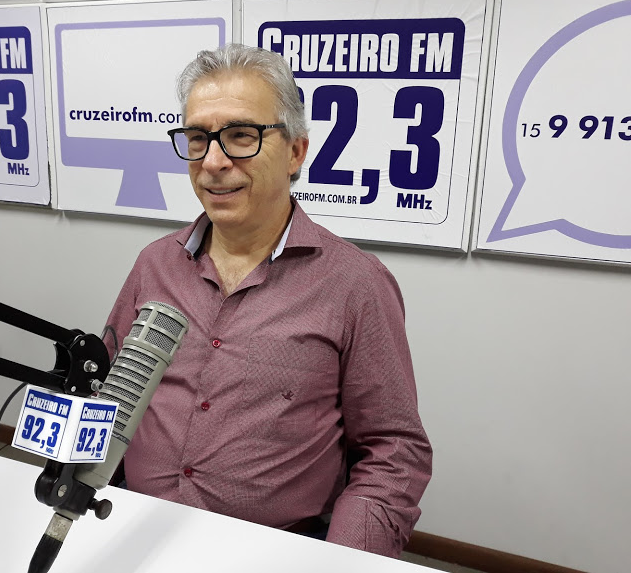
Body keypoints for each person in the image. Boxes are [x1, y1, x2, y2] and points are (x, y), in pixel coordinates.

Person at [102, 43, 432, 557]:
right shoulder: (155, 264)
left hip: (275, 551)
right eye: (198, 138)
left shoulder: (356, 284)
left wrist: (340, 561)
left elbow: (394, 450)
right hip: (134, 527)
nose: (213, 163)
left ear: (296, 152)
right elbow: (107, 392)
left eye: (241, 136)